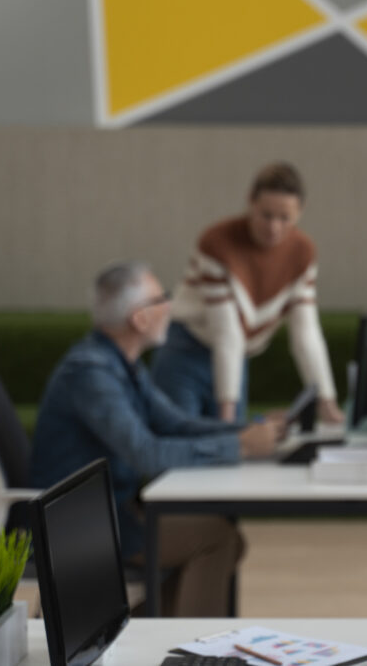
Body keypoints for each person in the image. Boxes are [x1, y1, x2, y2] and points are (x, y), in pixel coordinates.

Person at [30, 261, 283, 617]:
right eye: (161, 298)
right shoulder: (92, 374)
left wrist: (247, 431)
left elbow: (175, 424)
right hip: (85, 524)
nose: (170, 306)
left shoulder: (123, 364)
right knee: (217, 539)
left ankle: (146, 632)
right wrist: (241, 447)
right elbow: (147, 454)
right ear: (140, 318)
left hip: (113, 509)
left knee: (226, 539)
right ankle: (192, 649)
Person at [151, 162, 344, 425]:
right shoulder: (217, 243)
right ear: (250, 203)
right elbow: (226, 332)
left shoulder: (303, 252)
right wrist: (228, 418)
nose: (274, 227)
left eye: (284, 218)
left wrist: (326, 401)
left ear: (300, 212)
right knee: (185, 444)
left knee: (228, 453)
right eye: (266, 215)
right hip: (186, 351)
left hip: (237, 355)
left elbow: (306, 334)